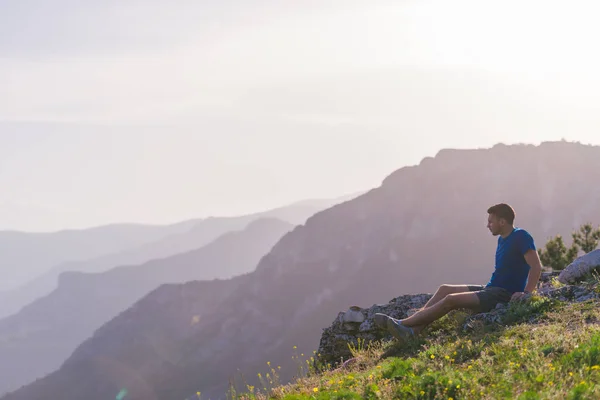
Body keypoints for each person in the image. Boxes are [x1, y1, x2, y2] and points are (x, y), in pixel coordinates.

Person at [374, 203, 543, 341]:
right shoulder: (502, 239)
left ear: (502, 222)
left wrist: (526, 293)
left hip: (503, 294)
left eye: (491, 221)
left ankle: (403, 324)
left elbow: (536, 266)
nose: (487, 225)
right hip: (491, 288)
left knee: (450, 300)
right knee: (444, 289)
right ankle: (415, 330)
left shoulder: (521, 236)